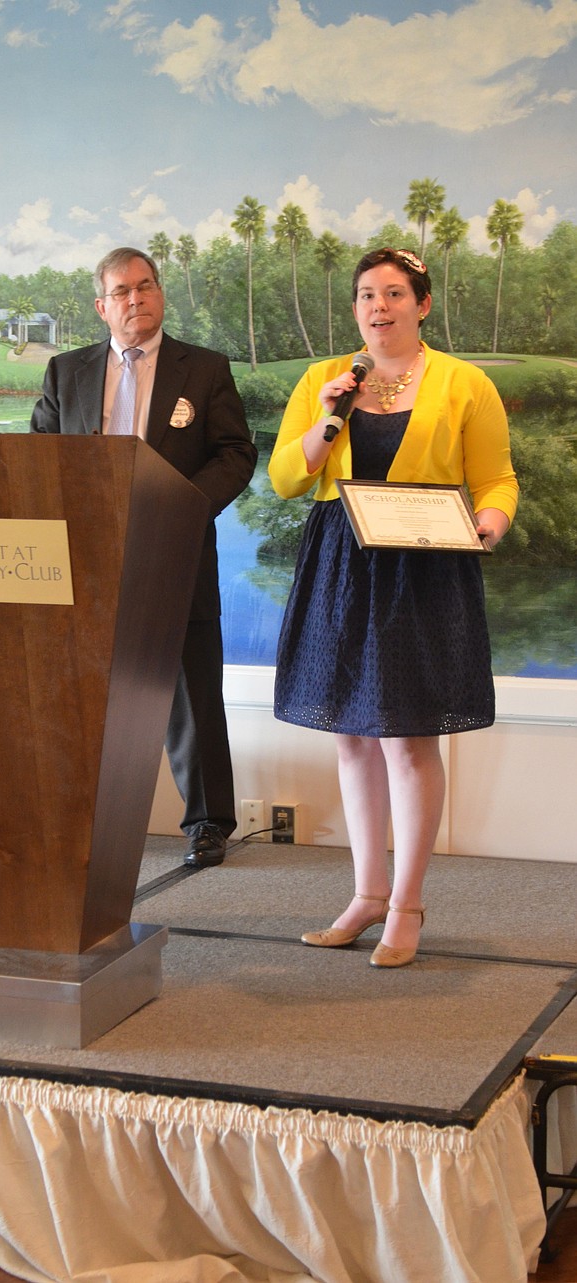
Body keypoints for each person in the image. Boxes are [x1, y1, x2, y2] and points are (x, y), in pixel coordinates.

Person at [269, 247, 518, 967]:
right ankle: (366, 893)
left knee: (409, 737)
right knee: (351, 733)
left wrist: (490, 523)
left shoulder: (465, 384)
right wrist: (326, 421)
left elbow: (497, 479)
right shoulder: (325, 380)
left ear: (423, 304)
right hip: (341, 563)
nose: (379, 307)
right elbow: (287, 476)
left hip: (425, 565)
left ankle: (407, 903)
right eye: (366, 295)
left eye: (394, 294)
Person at [31, 247, 257, 868]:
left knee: (192, 688)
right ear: (102, 306)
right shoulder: (65, 371)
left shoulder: (204, 369)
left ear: (160, 294)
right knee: (81, 692)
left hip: (175, 546)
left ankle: (209, 823)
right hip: (86, 556)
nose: (137, 298)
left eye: (147, 285)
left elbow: (236, 454)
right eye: (123, 291)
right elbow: (40, 454)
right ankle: (78, 818)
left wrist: (183, 507)